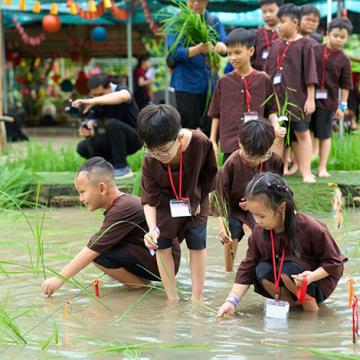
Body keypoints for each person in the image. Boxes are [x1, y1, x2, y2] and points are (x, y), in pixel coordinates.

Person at [42, 157, 181, 296]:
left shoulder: (123, 208)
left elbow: (93, 248)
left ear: (102, 188)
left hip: (164, 264)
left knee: (99, 254)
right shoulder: (121, 204)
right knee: (103, 248)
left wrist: (58, 280)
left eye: (82, 192)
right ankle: (140, 282)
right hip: (156, 259)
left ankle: (140, 286)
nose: (80, 199)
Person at [217, 172, 347, 317]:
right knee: (261, 270)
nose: (257, 221)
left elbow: (335, 263)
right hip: (285, 278)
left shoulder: (312, 228)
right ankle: (292, 307)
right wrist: (231, 301)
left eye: (261, 216)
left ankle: (311, 310)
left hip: (315, 282)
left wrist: (310, 277)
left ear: (282, 208)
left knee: (287, 270)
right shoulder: (258, 233)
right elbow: (247, 269)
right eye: (253, 215)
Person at [138, 104, 217, 301]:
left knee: (197, 241)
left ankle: (196, 299)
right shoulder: (150, 159)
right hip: (166, 202)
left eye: (164, 150)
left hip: (196, 198)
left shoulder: (200, 142)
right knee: (162, 244)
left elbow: (210, 173)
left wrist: (200, 197)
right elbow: (149, 197)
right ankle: (171, 299)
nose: (159, 157)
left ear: (179, 139)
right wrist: (152, 229)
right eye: (152, 150)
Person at [208, 28, 285, 164]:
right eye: (230, 53)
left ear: (250, 51)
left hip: (258, 142)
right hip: (230, 144)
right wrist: (213, 141)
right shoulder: (223, 81)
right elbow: (216, 114)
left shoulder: (263, 79)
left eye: (237, 52)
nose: (233, 57)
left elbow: (272, 111)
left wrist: (276, 126)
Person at [216, 118, 284, 272]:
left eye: (260, 157)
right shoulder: (232, 163)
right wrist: (222, 226)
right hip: (236, 209)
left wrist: (258, 204)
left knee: (266, 232)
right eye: (250, 157)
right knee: (232, 229)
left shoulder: (274, 161)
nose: (255, 161)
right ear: (240, 143)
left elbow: (278, 190)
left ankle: (267, 266)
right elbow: (220, 197)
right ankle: (228, 270)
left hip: (263, 209)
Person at [265, 4, 318, 183]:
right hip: (277, 99)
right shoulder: (274, 45)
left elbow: (311, 72)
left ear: (295, 22)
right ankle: (275, 174)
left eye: (283, 21)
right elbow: (268, 72)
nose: (278, 25)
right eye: (278, 22)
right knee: (278, 135)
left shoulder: (306, 44)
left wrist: (310, 98)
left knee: (302, 133)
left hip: (298, 99)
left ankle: (306, 172)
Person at [166, 0, 227, 131]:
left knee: (211, 128)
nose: (196, 4)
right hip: (186, 84)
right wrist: (197, 50)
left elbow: (225, 45)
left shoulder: (212, 20)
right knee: (188, 128)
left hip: (210, 83)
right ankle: (188, 152)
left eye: (200, 1)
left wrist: (223, 48)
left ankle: (210, 151)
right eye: (192, 0)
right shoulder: (178, 22)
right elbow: (173, 53)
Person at [74, 74, 142, 178]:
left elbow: (123, 96)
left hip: (134, 138)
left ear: (109, 87)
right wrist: (88, 131)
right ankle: (108, 168)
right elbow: (93, 125)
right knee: (83, 146)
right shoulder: (96, 103)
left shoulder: (121, 90)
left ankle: (122, 168)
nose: (97, 98)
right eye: (94, 95)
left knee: (112, 124)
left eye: (100, 94)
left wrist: (94, 100)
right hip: (114, 142)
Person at [311, 18, 353, 177]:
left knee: (325, 134)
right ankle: (304, 164)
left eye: (342, 37)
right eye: (335, 35)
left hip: (328, 103)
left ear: (347, 38)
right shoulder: (315, 50)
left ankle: (322, 168)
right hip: (308, 99)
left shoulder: (344, 60)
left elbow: (346, 85)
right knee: (306, 133)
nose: (338, 39)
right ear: (327, 34)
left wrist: (342, 107)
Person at [252, 0, 280, 72]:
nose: (267, 15)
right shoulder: (257, 34)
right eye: (264, 12)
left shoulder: (285, 33)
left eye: (271, 11)